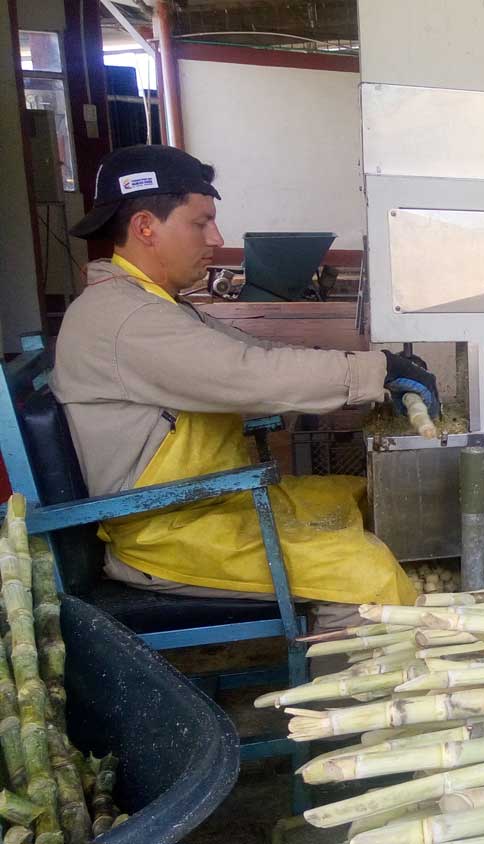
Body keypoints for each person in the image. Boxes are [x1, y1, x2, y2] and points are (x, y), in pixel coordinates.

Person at [53, 145, 434, 625]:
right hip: (169, 532)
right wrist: (374, 372)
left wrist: (372, 368)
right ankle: (348, 686)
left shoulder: (153, 305)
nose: (216, 237)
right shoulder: (126, 319)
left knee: (358, 492)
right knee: (367, 574)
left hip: (211, 503)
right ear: (145, 226)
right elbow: (244, 373)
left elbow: (256, 354)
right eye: (200, 222)